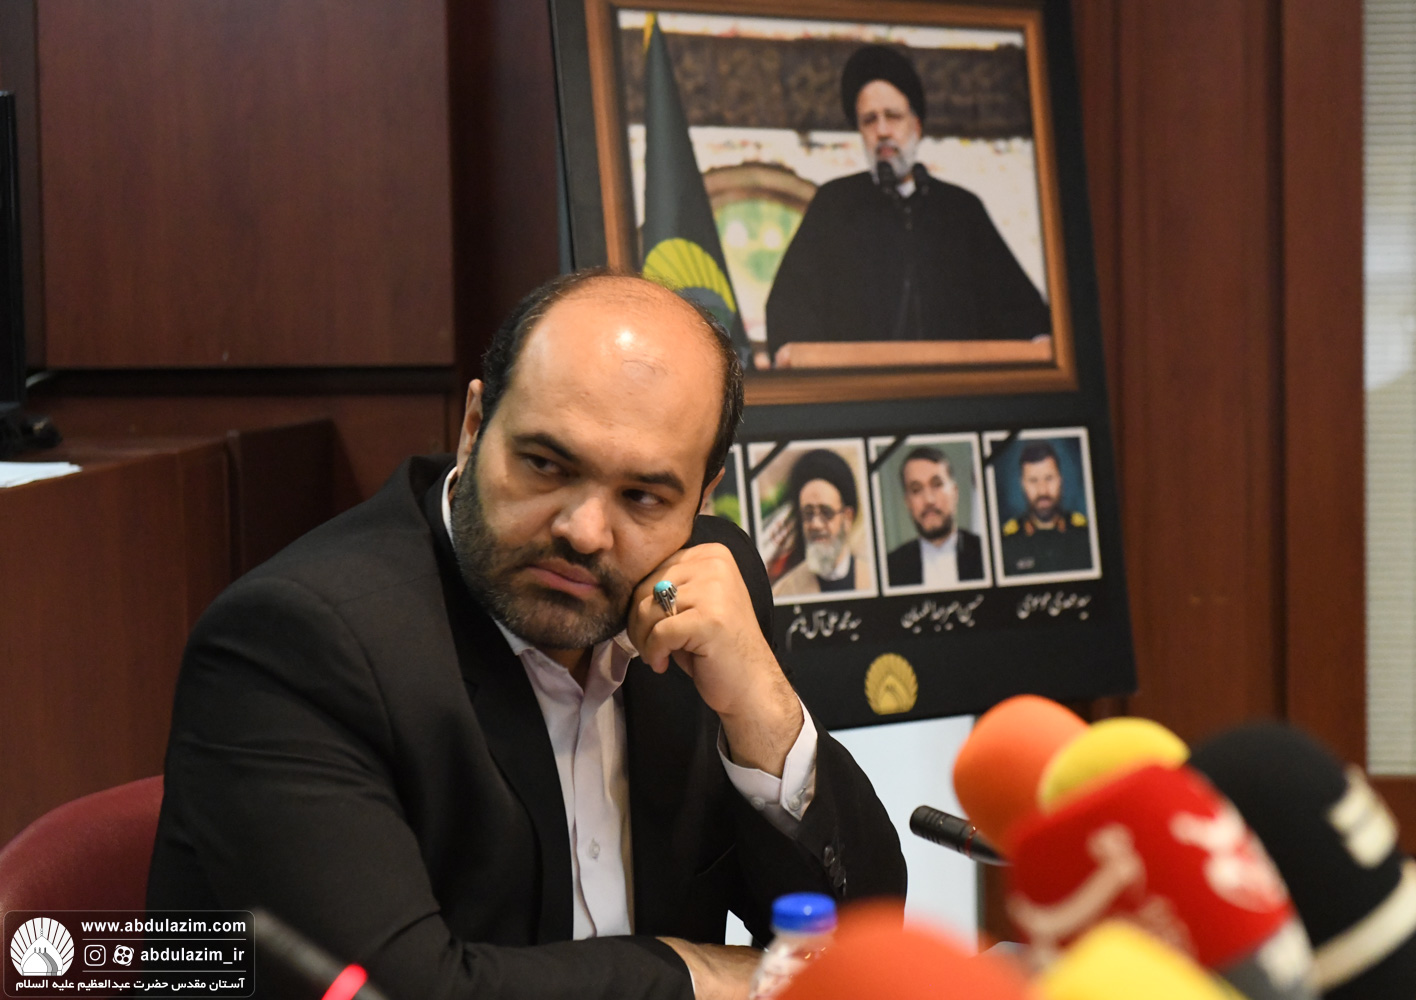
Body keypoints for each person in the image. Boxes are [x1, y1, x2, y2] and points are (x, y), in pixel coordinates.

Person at [146, 271, 906, 1000]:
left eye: (643, 497)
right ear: (475, 427)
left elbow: (864, 944)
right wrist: (694, 976)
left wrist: (763, 710)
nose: (585, 531)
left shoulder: (704, 591)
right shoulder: (295, 644)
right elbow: (397, 991)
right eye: (546, 465)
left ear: (701, 499)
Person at [761, 44, 1052, 366]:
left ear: (917, 126)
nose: (882, 131)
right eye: (869, 120)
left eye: (893, 117)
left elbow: (1018, 311)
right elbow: (791, 307)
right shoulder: (834, 205)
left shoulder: (961, 210)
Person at [769, 448, 875, 599]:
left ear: (847, 517)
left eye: (826, 512)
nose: (816, 524)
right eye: (808, 513)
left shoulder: (873, 580)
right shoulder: (783, 593)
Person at [884, 446, 985, 588]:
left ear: (955, 493)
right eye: (916, 490)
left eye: (937, 485)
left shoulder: (987, 554)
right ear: (907, 502)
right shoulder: (890, 568)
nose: (929, 500)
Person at [1000, 440, 1092, 576]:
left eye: (1049, 478)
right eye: (1033, 480)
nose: (1042, 490)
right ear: (1022, 484)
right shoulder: (1007, 544)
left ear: (1060, 480)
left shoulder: (1086, 536)